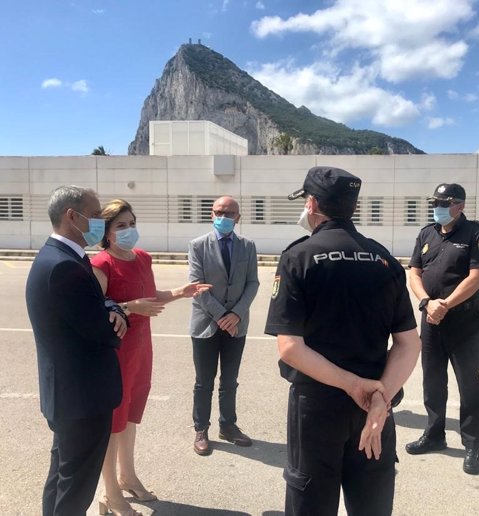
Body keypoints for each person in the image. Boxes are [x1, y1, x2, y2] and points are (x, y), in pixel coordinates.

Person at [264, 166, 421, 516]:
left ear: (311, 203)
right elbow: (409, 343)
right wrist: (381, 396)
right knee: (372, 503)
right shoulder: (384, 260)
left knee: (311, 502)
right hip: (377, 407)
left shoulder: (299, 257)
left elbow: (290, 347)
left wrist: (353, 385)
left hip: (317, 407)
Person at [91, 199, 211, 515]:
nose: (129, 230)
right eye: (120, 226)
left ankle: (127, 475)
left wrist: (179, 293)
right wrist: (129, 307)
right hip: (116, 350)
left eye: (131, 223)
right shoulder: (102, 264)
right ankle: (110, 493)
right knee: (114, 421)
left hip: (141, 347)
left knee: (131, 415)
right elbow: (91, 311)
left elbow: (150, 297)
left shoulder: (142, 258)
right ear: (107, 232)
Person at [25, 186, 127, 516]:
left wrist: (113, 307)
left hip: (70, 396)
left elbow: (97, 305)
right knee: (75, 490)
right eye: (96, 216)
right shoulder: (63, 266)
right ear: (73, 216)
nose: (101, 222)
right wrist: (120, 314)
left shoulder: (62, 257)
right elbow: (104, 330)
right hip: (83, 400)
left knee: (62, 477)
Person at [405, 183, 479, 475]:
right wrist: (428, 302)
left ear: (460, 205)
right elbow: (414, 272)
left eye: (444, 202)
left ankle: (472, 445)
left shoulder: (476, 232)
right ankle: (434, 435)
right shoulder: (427, 232)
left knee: (469, 384)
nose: (438, 207)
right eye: (436, 202)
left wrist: (446, 305)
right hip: (431, 321)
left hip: (464, 323)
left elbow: (477, 276)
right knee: (432, 380)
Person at [189, 195, 259, 455]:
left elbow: (253, 283)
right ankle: (201, 429)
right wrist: (221, 315)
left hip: (236, 326)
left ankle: (228, 426)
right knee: (203, 381)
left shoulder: (248, 246)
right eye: (219, 212)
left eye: (229, 214)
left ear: (237, 218)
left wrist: (236, 315)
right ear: (211, 214)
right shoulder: (197, 246)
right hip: (206, 323)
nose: (224, 217)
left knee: (230, 380)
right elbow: (197, 286)